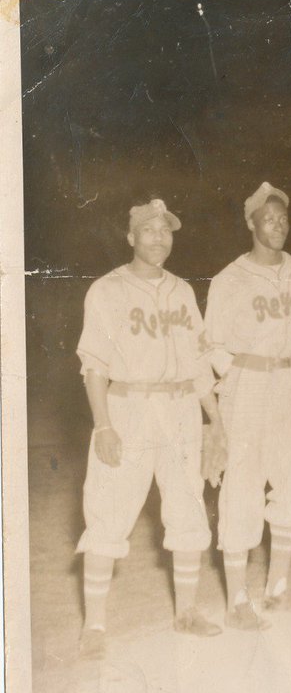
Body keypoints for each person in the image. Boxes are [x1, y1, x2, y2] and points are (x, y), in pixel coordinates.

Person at [74, 198, 225, 659]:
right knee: (108, 510)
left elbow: (200, 363)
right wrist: (103, 426)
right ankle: (95, 625)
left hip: (180, 408)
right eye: (148, 229)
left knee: (187, 508)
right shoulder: (107, 290)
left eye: (166, 230)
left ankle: (187, 612)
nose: (158, 238)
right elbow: (94, 366)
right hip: (129, 407)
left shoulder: (182, 291)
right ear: (131, 237)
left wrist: (216, 420)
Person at [205, 182, 291, 629]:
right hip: (250, 382)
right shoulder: (229, 279)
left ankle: (278, 588)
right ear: (251, 224)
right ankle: (237, 599)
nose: (277, 226)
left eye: (283, 218)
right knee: (243, 485)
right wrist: (234, 381)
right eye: (268, 219)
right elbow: (212, 344)